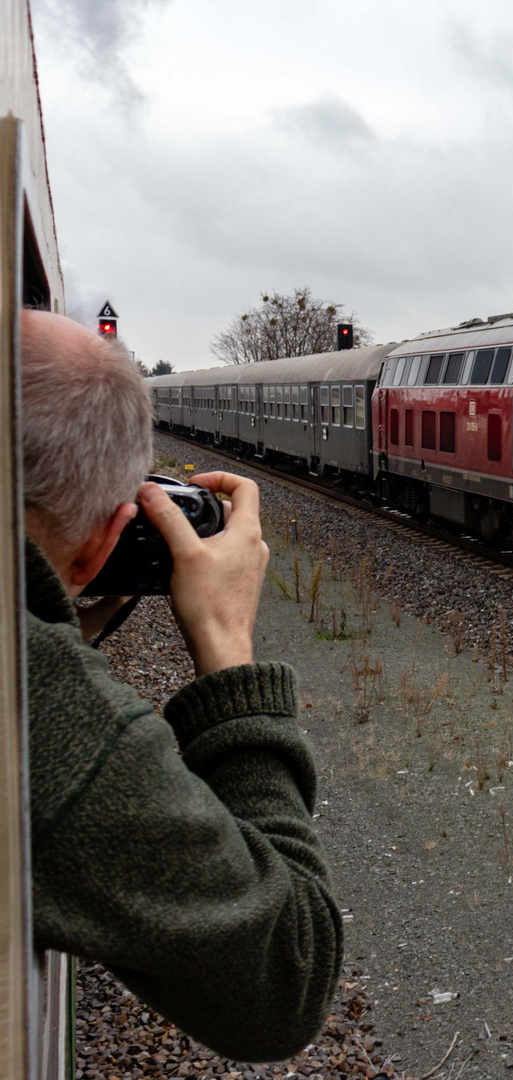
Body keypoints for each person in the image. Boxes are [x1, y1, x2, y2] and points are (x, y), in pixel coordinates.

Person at [19, 309, 341, 1062]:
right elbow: (286, 979)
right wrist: (229, 647)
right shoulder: (43, 711)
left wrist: (66, 608)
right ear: (107, 540)